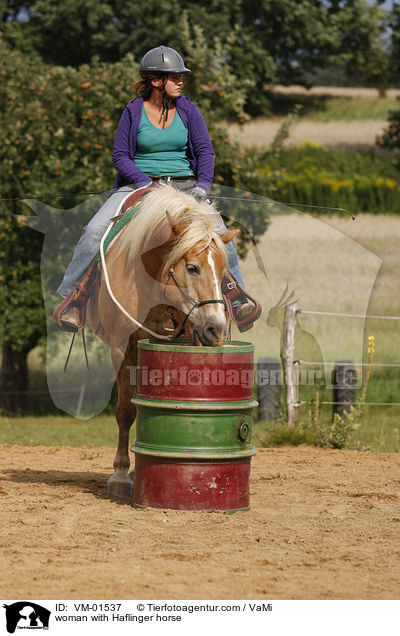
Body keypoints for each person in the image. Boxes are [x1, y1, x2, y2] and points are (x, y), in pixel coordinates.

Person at [54, 45, 260, 332]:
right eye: (175, 76)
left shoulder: (188, 108)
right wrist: (143, 183)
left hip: (185, 186)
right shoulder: (133, 110)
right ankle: (73, 299)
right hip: (140, 184)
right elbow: (120, 156)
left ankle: (236, 297)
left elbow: (205, 152)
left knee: (219, 235)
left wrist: (202, 186)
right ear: (155, 81)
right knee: (93, 233)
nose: (181, 81)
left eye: (180, 76)